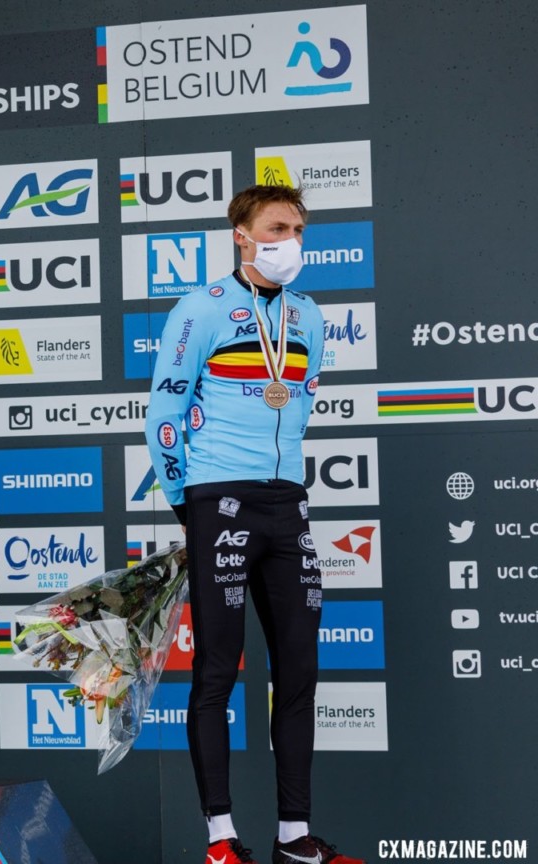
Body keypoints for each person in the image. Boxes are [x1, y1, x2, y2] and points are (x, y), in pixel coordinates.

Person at [145, 186, 363, 864]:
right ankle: (220, 839)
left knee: (299, 670)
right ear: (242, 234)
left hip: (287, 504)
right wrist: (191, 505)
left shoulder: (310, 315)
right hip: (220, 502)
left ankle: (294, 838)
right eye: (277, 227)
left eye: (298, 228)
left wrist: (284, 484)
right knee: (216, 670)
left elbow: (300, 405)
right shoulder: (202, 308)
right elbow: (163, 413)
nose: (291, 240)